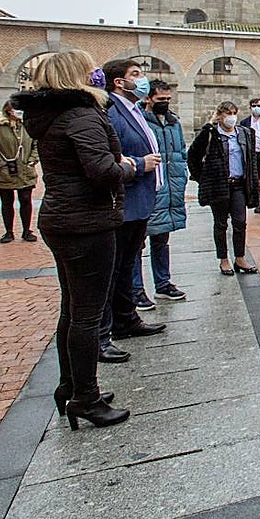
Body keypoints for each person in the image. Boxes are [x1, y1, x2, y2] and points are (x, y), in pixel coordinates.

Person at [14, 51, 130, 430]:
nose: (97, 72)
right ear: (77, 75)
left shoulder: (48, 115)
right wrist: (127, 167)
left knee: (73, 309)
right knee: (87, 315)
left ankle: (70, 386)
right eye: (90, 67)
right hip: (87, 222)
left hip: (60, 217)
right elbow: (102, 170)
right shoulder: (82, 114)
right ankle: (86, 397)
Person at [100, 60, 167, 361]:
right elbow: (110, 156)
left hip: (140, 199)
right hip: (124, 199)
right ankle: (106, 331)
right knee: (113, 268)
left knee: (127, 263)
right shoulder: (111, 111)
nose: (143, 80)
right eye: (136, 75)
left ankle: (126, 319)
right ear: (118, 82)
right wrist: (141, 164)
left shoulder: (134, 109)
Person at [132, 81, 188, 310]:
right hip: (147, 188)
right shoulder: (139, 122)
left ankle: (163, 283)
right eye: (160, 100)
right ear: (148, 98)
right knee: (137, 242)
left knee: (162, 239)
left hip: (170, 187)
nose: (165, 103)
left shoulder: (174, 123)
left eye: (167, 100)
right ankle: (136, 289)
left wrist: (182, 177)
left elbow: (181, 152)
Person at [188, 101, 260, 275]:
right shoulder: (211, 134)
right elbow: (193, 156)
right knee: (221, 224)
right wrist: (202, 178)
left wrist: (253, 183)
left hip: (238, 185)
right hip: (219, 185)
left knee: (240, 222)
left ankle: (240, 258)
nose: (231, 117)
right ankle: (223, 259)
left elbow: (251, 161)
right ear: (219, 115)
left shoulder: (244, 134)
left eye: (234, 113)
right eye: (228, 113)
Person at [0, 99, 39, 243]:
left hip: (25, 169)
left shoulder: (28, 125)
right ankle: (8, 232)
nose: (20, 112)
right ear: (8, 110)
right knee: (7, 201)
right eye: (16, 109)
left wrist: (32, 159)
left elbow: (36, 144)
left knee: (26, 199)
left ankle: (27, 231)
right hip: (4, 171)